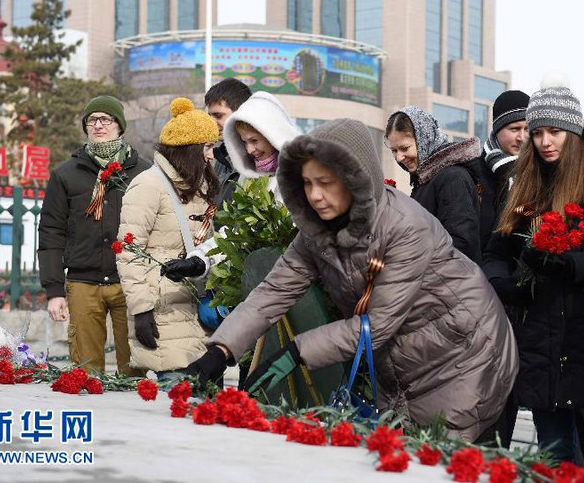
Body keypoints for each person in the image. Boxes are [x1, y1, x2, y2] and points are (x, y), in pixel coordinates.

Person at [185, 118, 518, 441]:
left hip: (467, 356)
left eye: (326, 182)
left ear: (356, 179)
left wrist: (296, 351)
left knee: (443, 466)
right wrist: (219, 351)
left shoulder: (404, 228)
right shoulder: (316, 231)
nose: (315, 195)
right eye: (307, 183)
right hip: (408, 362)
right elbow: (274, 290)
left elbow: (380, 324)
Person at [484, 85, 584, 478]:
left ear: (575, 134)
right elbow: (495, 253)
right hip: (542, 343)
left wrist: (573, 267)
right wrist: (506, 286)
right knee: (555, 460)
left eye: (556, 132)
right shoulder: (526, 183)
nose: (546, 142)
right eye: (537, 132)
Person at [38, 95, 150, 375]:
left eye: (106, 119)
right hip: (83, 282)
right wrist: (54, 291)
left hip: (131, 281)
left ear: (119, 125)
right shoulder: (66, 174)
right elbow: (51, 232)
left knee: (135, 371)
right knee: (85, 374)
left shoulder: (143, 172)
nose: (98, 125)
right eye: (92, 120)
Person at [116, 97, 220, 377]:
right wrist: (141, 311)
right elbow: (128, 251)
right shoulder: (148, 185)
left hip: (197, 308)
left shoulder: (200, 185)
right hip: (162, 313)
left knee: (205, 404)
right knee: (180, 397)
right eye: (208, 148)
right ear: (190, 149)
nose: (211, 156)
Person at [158, 91, 299, 283]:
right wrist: (199, 261)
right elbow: (237, 232)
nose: (249, 150)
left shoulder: (303, 176)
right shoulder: (250, 179)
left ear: (272, 133)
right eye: (243, 142)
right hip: (265, 283)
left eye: (254, 140)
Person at [384, 106, 482, 263]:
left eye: (404, 148)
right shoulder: (425, 178)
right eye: (394, 151)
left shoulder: (452, 178)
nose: (399, 157)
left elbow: (461, 245)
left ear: (424, 139)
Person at [478, 90, 530, 256]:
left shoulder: (542, 172)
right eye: (514, 129)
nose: (522, 137)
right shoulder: (474, 172)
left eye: (528, 129)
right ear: (497, 130)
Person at [205, 78, 252, 206]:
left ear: (241, 114)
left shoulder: (260, 160)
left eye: (218, 116)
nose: (211, 122)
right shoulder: (222, 157)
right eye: (210, 116)